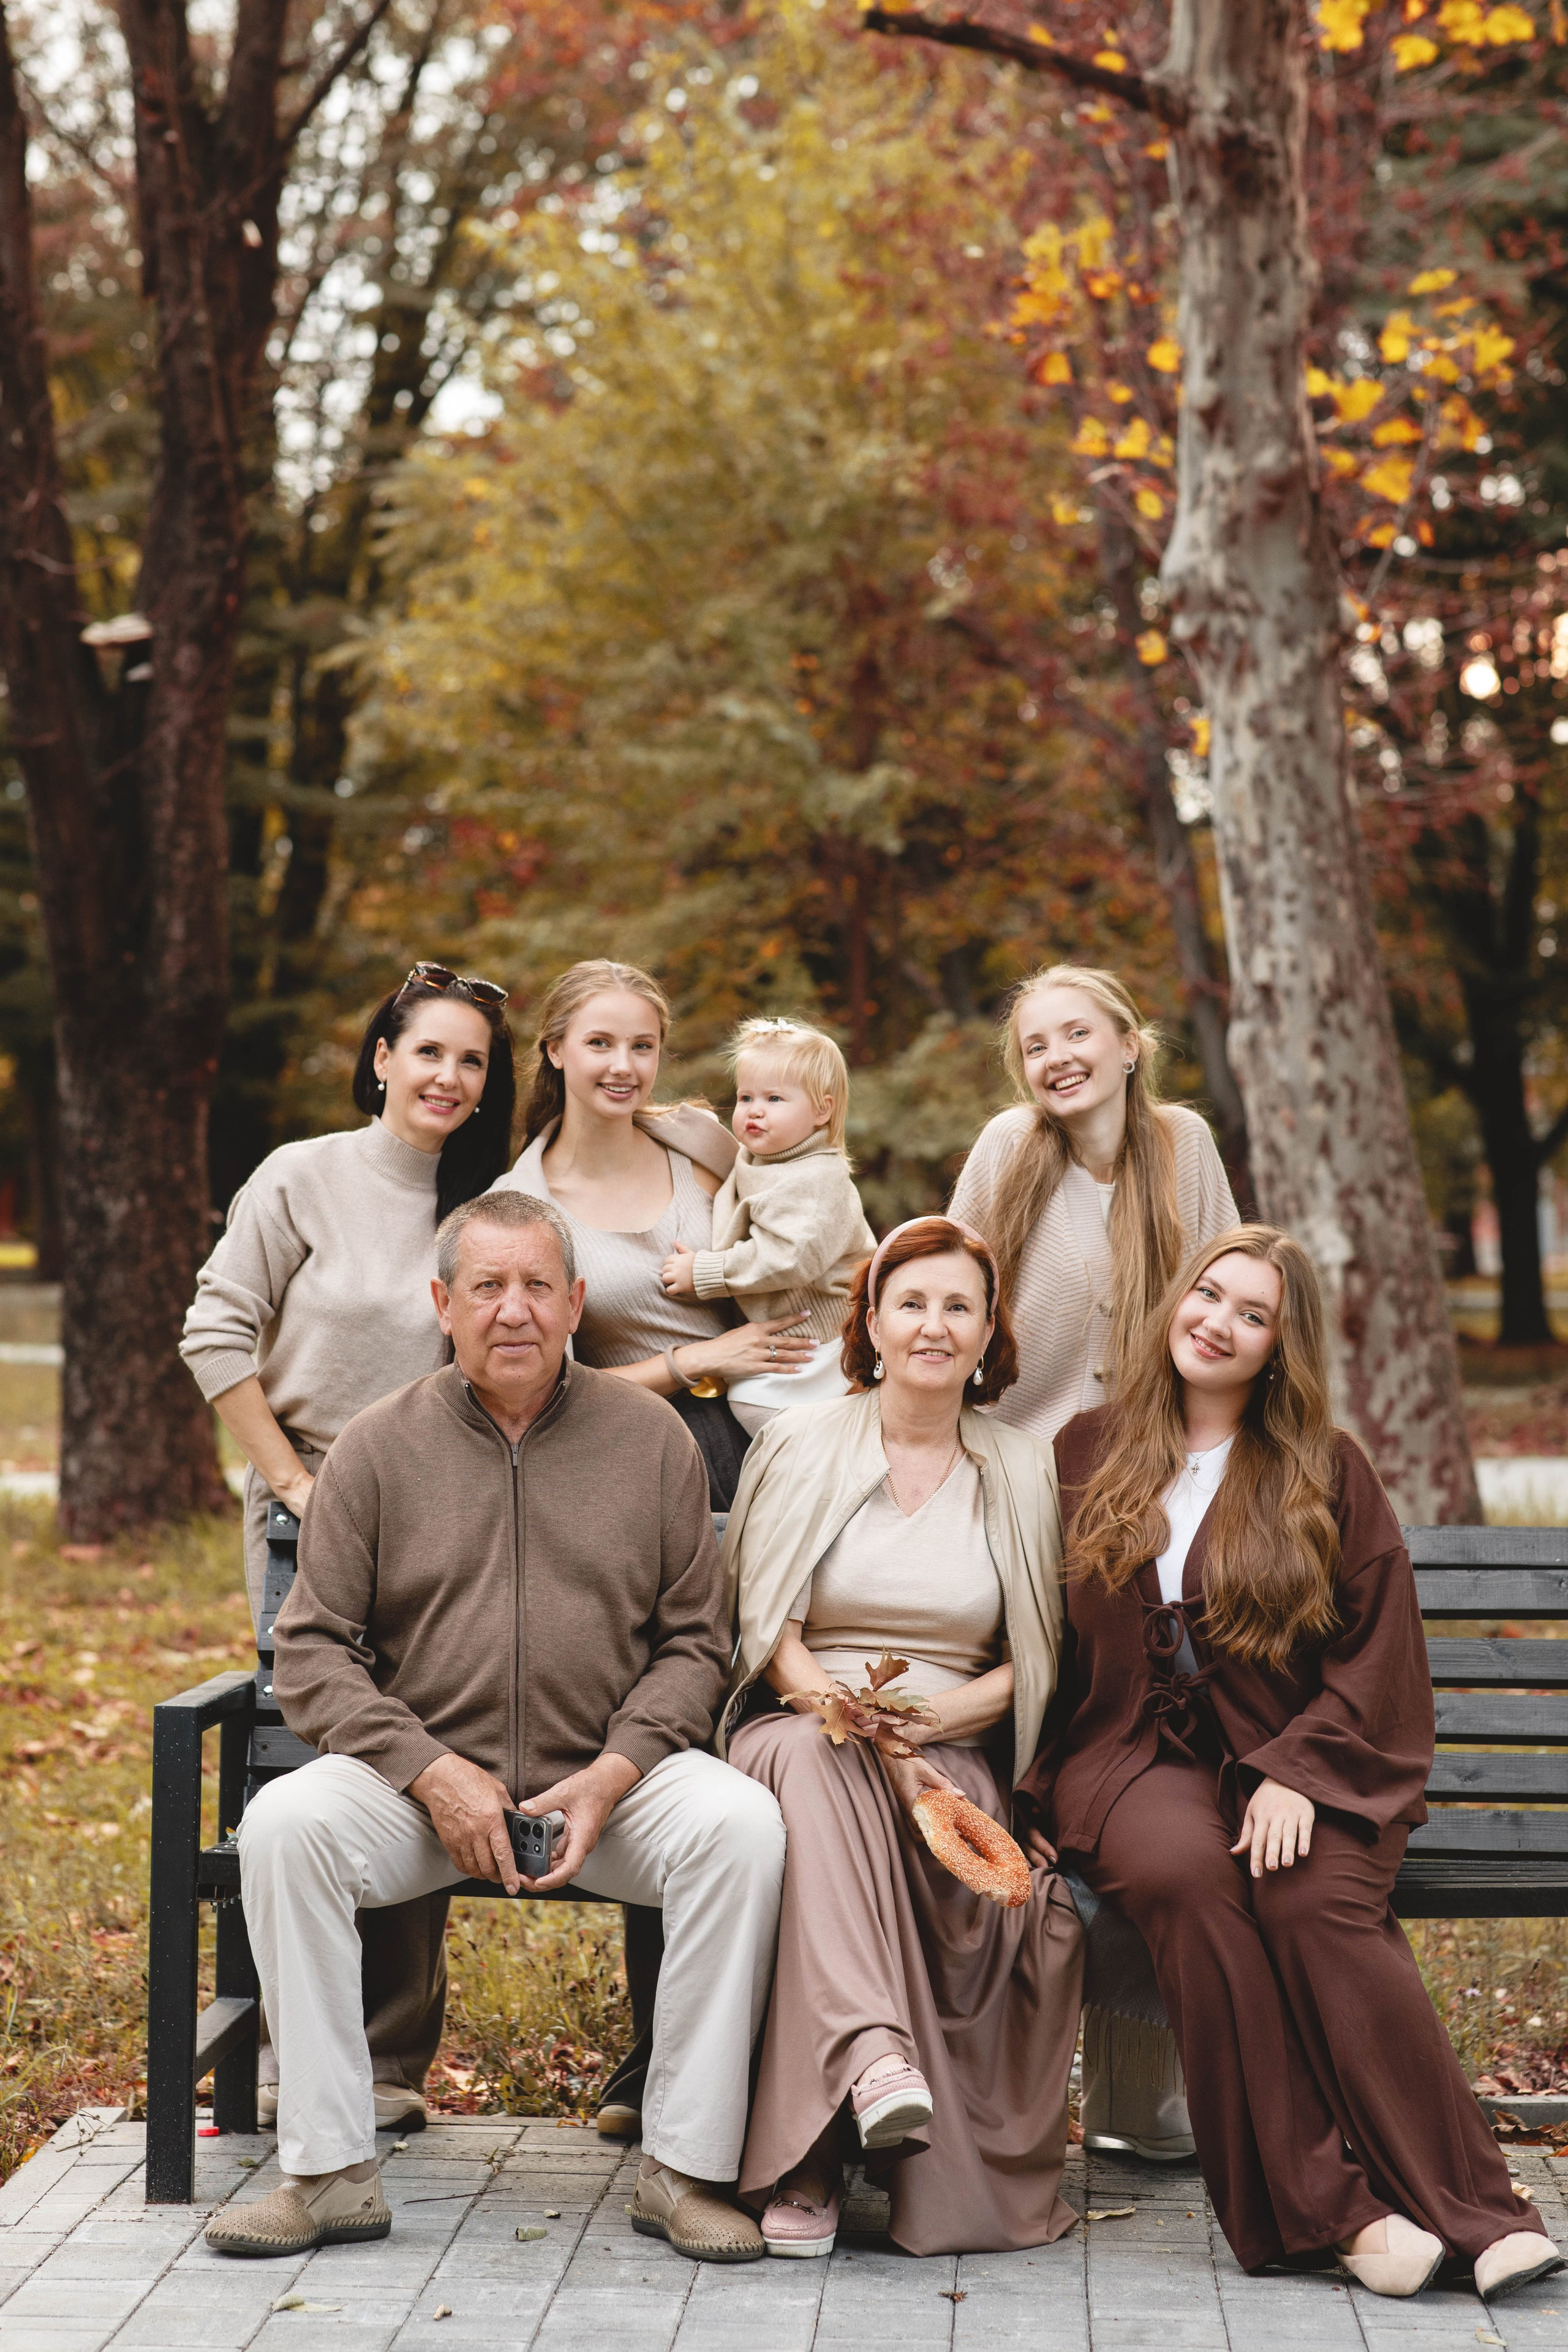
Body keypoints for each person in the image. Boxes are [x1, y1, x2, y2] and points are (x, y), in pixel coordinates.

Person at [205, 1189, 786, 2266]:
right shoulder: (378, 1448)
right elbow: (315, 1646)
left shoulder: (651, 1439)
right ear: (442, 1303)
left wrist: (614, 1775)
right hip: (423, 1794)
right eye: (486, 1287)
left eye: (534, 1287)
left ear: (574, 1303)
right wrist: (430, 1774)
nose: (511, 1311)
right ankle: (328, 2172)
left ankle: (683, 2167)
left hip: (606, 1791)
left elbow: (697, 1645)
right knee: (286, 1825)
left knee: (742, 1828)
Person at [1020, 1224, 1564, 2303]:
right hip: (1131, 1761)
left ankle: (1478, 2212)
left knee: (1316, 1903)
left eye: (1252, 1314)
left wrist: (1299, 1771)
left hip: (1303, 1758)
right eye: (1209, 1296)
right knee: (1190, 1881)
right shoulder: (1085, 1450)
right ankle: (1333, 2214)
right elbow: (1050, 1638)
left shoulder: (1324, 1469)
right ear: (1178, 1300)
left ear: (1280, 1346)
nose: (1218, 1322)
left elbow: (1378, 1653)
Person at [179, 962, 516, 2133]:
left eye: (471, 1060)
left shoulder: (489, 1198)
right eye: (428, 1051)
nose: (448, 1076)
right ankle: (283, 2048)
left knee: (417, 1742)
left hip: (443, 1506)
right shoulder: (303, 1176)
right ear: (383, 1056)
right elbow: (215, 1329)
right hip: (308, 1499)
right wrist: (290, 1482)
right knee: (304, 1756)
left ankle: (388, 2063)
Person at [717, 1216, 1084, 2260]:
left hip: (953, 1754)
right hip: (803, 1727)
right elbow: (764, 1624)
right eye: (910, 1302)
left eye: (958, 1306)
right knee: (814, 1771)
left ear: (988, 1336)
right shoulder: (799, 1442)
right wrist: (848, 1716)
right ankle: (873, 2065)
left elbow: (1037, 1654)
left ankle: (816, 2156)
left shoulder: (1020, 1468)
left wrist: (924, 1729)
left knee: (872, 1815)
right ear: (871, 1324)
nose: (934, 1324)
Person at [949, 961, 1237, 2160]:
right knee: (1029, 1778)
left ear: (1128, 1044)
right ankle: (987, 2092)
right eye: (1033, 1043)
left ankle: (1136, 2100)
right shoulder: (1005, 1152)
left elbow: (1232, 1304)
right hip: (1018, 1500)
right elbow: (949, 1307)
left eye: (1077, 1034)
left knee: (1152, 1773)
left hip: (1154, 1505)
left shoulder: (1183, 1148)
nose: (1055, 1057)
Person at [496, 959, 815, 1507]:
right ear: (555, 1050)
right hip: (639, 1454)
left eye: (642, 1047)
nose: (624, 1066)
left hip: (782, 1419)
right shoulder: (520, 1207)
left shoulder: (703, 1143)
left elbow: (806, 1225)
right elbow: (540, 1392)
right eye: (599, 1043)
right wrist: (694, 1360)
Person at [660, 1016, 875, 1436]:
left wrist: (706, 1271)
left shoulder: (818, 1176)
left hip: (827, 1341)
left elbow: (792, 1256)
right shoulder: (756, 1159)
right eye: (745, 1097)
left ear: (821, 1111)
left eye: (775, 1098)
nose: (754, 1110)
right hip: (782, 1341)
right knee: (757, 1410)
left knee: (810, 1431)